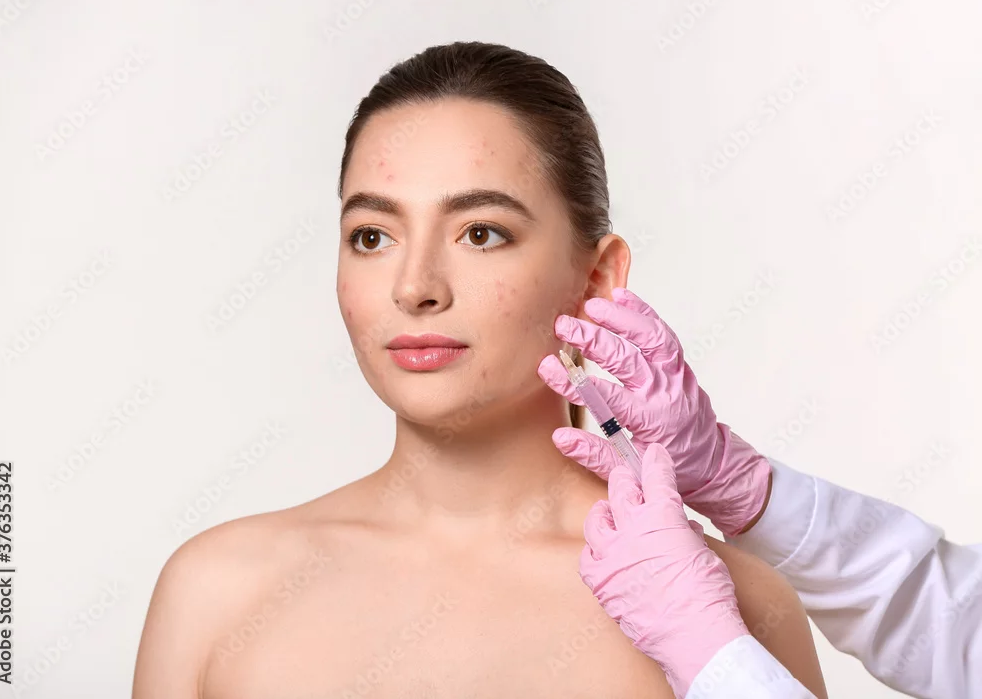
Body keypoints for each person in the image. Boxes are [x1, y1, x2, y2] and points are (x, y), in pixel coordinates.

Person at [131, 42, 829, 698]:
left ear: (595, 280)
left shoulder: (725, 611)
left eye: (481, 233)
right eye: (372, 236)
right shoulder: (217, 592)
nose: (415, 287)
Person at [541, 288, 982, 699]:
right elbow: (956, 627)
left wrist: (707, 653)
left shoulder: (754, 596)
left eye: (500, 239)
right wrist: (736, 482)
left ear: (596, 279)